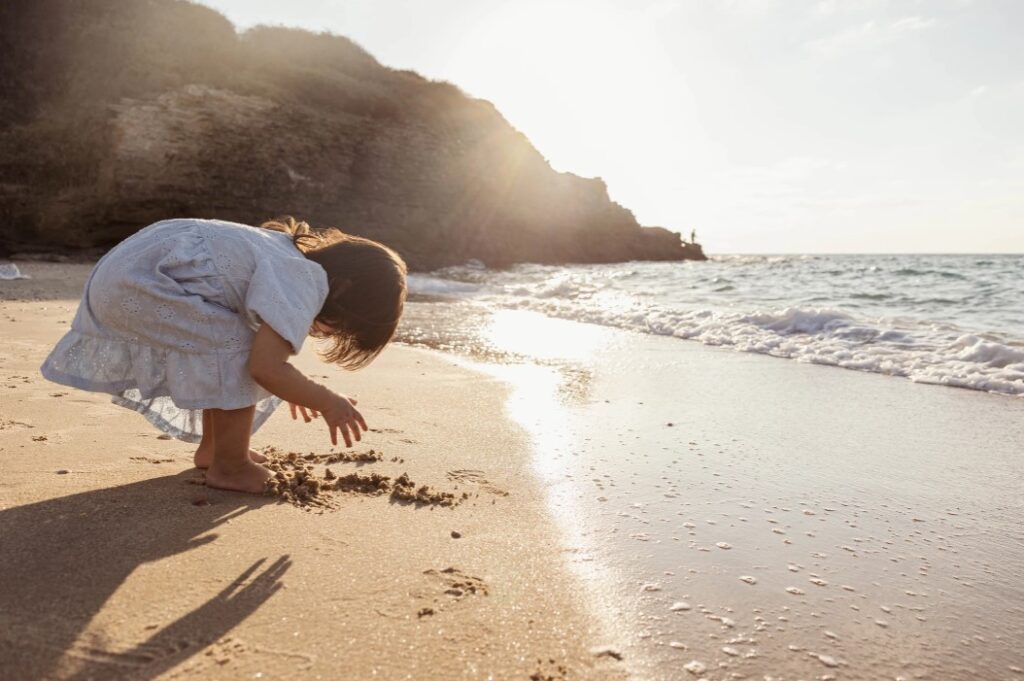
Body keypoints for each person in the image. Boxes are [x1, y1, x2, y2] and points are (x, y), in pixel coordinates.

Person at [40, 217, 407, 493]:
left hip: (125, 274)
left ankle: (214, 450)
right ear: (343, 288)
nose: (327, 330)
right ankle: (230, 466)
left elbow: (268, 364)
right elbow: (265, 368)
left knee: (228, 341)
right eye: (340, 323)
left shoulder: (284, 255)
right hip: (142, 284)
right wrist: (326, 400)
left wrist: (294, 386)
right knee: (236, 346)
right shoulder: (305, 279)